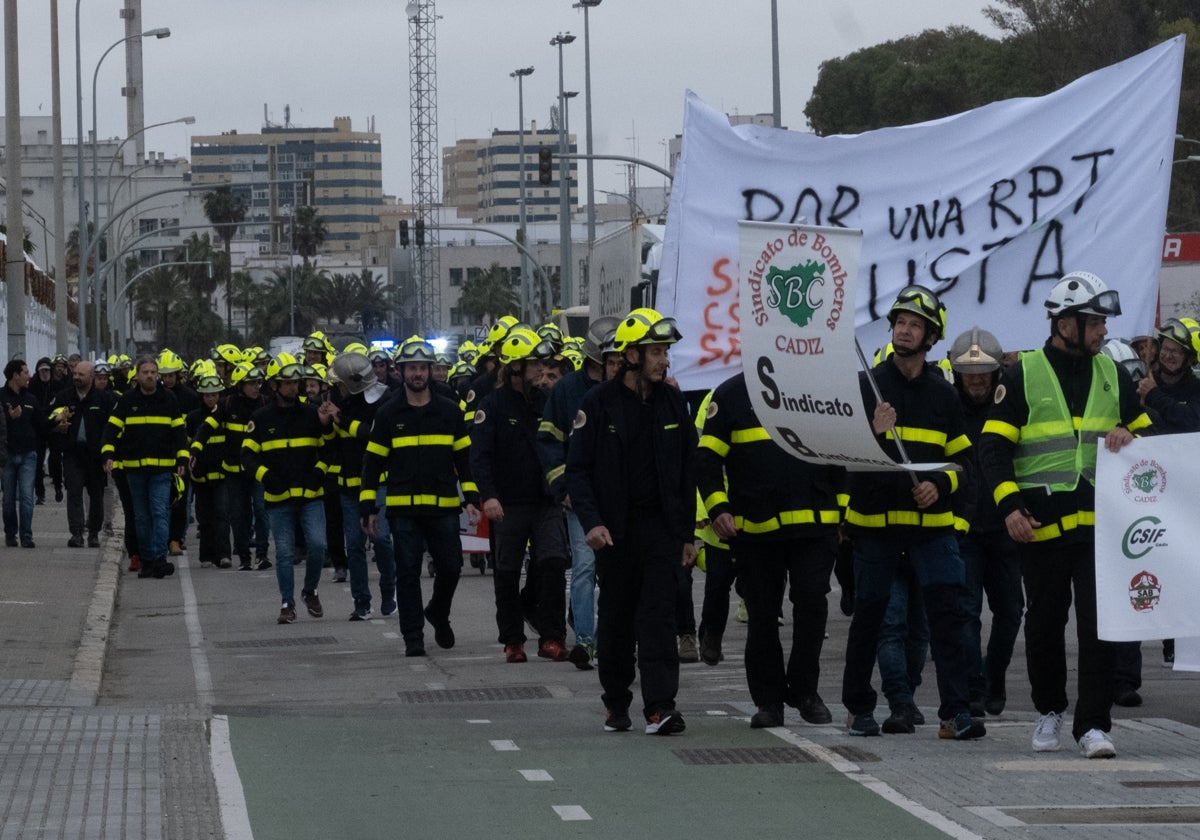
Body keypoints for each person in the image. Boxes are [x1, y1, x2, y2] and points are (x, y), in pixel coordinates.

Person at [979, 271, 1152, 759]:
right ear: (1065, 323)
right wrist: (1010, 506)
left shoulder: (1111, 372)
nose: (1102, 331)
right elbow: (992, 449)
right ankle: (1049, 711)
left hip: (1100, 529)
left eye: (1102, 322)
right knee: (1044, 625)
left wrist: (1130, 435)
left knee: (1100, 627)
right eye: (1094, 321)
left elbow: (1147, 434)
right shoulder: (1021, 374)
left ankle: (1094, 726)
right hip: (1040, 528)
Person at [841, 285, 984, 741]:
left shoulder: (944, 396)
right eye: (900, 323)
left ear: (931, 337)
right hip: (875, 531)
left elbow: (966, 465)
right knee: (870, 620)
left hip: (932, 530)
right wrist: (874, 433)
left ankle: (955, 713)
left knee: (949, 621)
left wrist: (940, 484)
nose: (904, 331)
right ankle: (859, 709)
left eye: (915, 325)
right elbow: (846, 463)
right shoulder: (866, 387)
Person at [566, 308, 698, 735]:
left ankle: (660, 707)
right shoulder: (597, 404)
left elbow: (686, 471)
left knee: (658, 618)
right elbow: (578, 470)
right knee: (618, 621)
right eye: (656, 351)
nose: (664, 360)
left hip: (661, 531)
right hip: (614, 534)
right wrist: (592, 522)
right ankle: (616, 702)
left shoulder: (674, 401)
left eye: (665, 352)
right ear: (632, 356)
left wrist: (686, 533)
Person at [697, 369, 843, 728]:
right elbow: (706, 460)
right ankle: (768, 701)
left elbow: (843, 452)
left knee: (812, 604)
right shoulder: (730, 394)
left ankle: (805, 691)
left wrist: (843, 509)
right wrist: (718, 508)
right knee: (762, 617)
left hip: (815, 524)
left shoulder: (821, 388)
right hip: (756, 529)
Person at [361, 338, 479, 655]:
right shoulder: (387, 415)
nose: (417, 373)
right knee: (408, 572)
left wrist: (471, 498)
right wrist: (368, 507)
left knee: (452, 567)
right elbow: (372, 464)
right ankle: (413, 636)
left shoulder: (450, 413)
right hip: (403, 510)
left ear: (430, 371)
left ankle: (438, 613)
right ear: (401, 371)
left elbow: (464, 461)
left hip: (442, 508)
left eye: (422, 368)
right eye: (411, 368)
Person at [471, 327, 572, 665]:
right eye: (533, 366)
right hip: (508, 505)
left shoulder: (548, 402)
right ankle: (513, 640)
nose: (541, 373)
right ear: (515, 368)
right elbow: (480, 456)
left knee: (554, 564)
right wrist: (489, 496)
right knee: (507, 572)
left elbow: (560, 446)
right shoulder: (492, 406)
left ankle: (552, 637)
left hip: (546, 502)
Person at [947, 327, 1025, 718]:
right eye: (968, 372)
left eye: (983, 372)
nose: (976, 379)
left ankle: (994, 675)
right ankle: (975, 688)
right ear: (956, 372)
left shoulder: (1009, 404)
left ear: (997, 372)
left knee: (1011, 611)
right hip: (962, 530)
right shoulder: (945, 407)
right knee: (966, 614)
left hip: (1005, 528)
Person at [535, 315, 619, 670]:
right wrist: (563, 488)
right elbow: (549, 442)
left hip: (618, 496)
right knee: (584, 568)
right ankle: (586, 639)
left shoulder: (630, 391)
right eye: (611, 359)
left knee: (615, 572)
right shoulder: (567, 390)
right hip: (580, 497)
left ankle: (615, 637)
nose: (616, 364)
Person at [243, 362, 337, 624]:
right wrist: (266, 477)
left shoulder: (311, 414)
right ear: (275, 386)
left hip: (310, 496)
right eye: (287, 383)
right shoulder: (260, 418)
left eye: (296, 383)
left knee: (318, 545)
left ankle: (311, 590)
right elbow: (247, 456)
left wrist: (320, 471)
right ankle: (287, 603)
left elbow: (328, 448)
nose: (293, 388)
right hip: (278, 499)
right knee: (284, 553)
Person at [1135, 318, 1200, 672]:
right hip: (1147, 492)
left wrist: (1154, 397)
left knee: (1180, 565)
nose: (1170, 356)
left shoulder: (1193, 389)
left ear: (1189, 358)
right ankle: (1127, 670)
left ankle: (1175, 642)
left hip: (1187, 494)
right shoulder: (1141, 383)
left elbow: (1191, 421)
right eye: (1166, 349)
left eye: (1178, 351)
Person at [101, 355, 188, 579]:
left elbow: (179, 432)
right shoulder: (127, 401)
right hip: (135, 470)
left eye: (153, 372)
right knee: (141, 516)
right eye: (145, 372)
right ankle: (147, 559)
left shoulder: (168, 399)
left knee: (159, 512)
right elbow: (111, 430)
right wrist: (108, 453)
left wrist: (182, 459)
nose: (150, 375)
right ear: (138, 375)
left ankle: (159, 557)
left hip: (162, 469)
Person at [47, 360, 116, 548]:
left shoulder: (104, 399)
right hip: (72, 454)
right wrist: (56, 419)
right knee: (74, 493)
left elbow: (112, 427)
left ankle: (93, 532)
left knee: (96, 495)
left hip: (95, 456)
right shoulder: (64, 397)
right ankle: (76, 533)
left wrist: (108, 454)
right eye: (75, 374)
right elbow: (48, 417)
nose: (76, 377)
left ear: (91, 377)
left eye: (81, 375)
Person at [158, 349, 200, 557]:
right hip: (160, 455)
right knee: (161, 502)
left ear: (178, 374)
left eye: (171, 375)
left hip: (182, 456)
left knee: (180, 500)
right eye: (164, 376)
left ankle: (176, 539)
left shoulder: (191, 398)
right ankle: (162, 538)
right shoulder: (157, 396)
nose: (167, 380)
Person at [187, 372, 231, 568]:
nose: (211, 398)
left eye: (215, 394)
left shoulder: (225, 416)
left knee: (222, 515)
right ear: (201, 396)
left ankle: (223, 555)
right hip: (201, 477)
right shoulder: (193, 418)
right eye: (207, 395)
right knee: (204, 518)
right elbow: (189, 446)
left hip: (222, 475)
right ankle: (206, 556)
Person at [1, 360, 45, 548]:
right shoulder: (1, 397)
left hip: (28, 454)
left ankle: (26, 535)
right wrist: (10, 417)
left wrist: (56, 423)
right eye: (25, 372)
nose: (29, 376)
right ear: (15, 375)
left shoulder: (31, 399)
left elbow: (41, 424)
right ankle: (11, 534)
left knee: (27, 497)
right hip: (8, 455)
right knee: (9, 499)